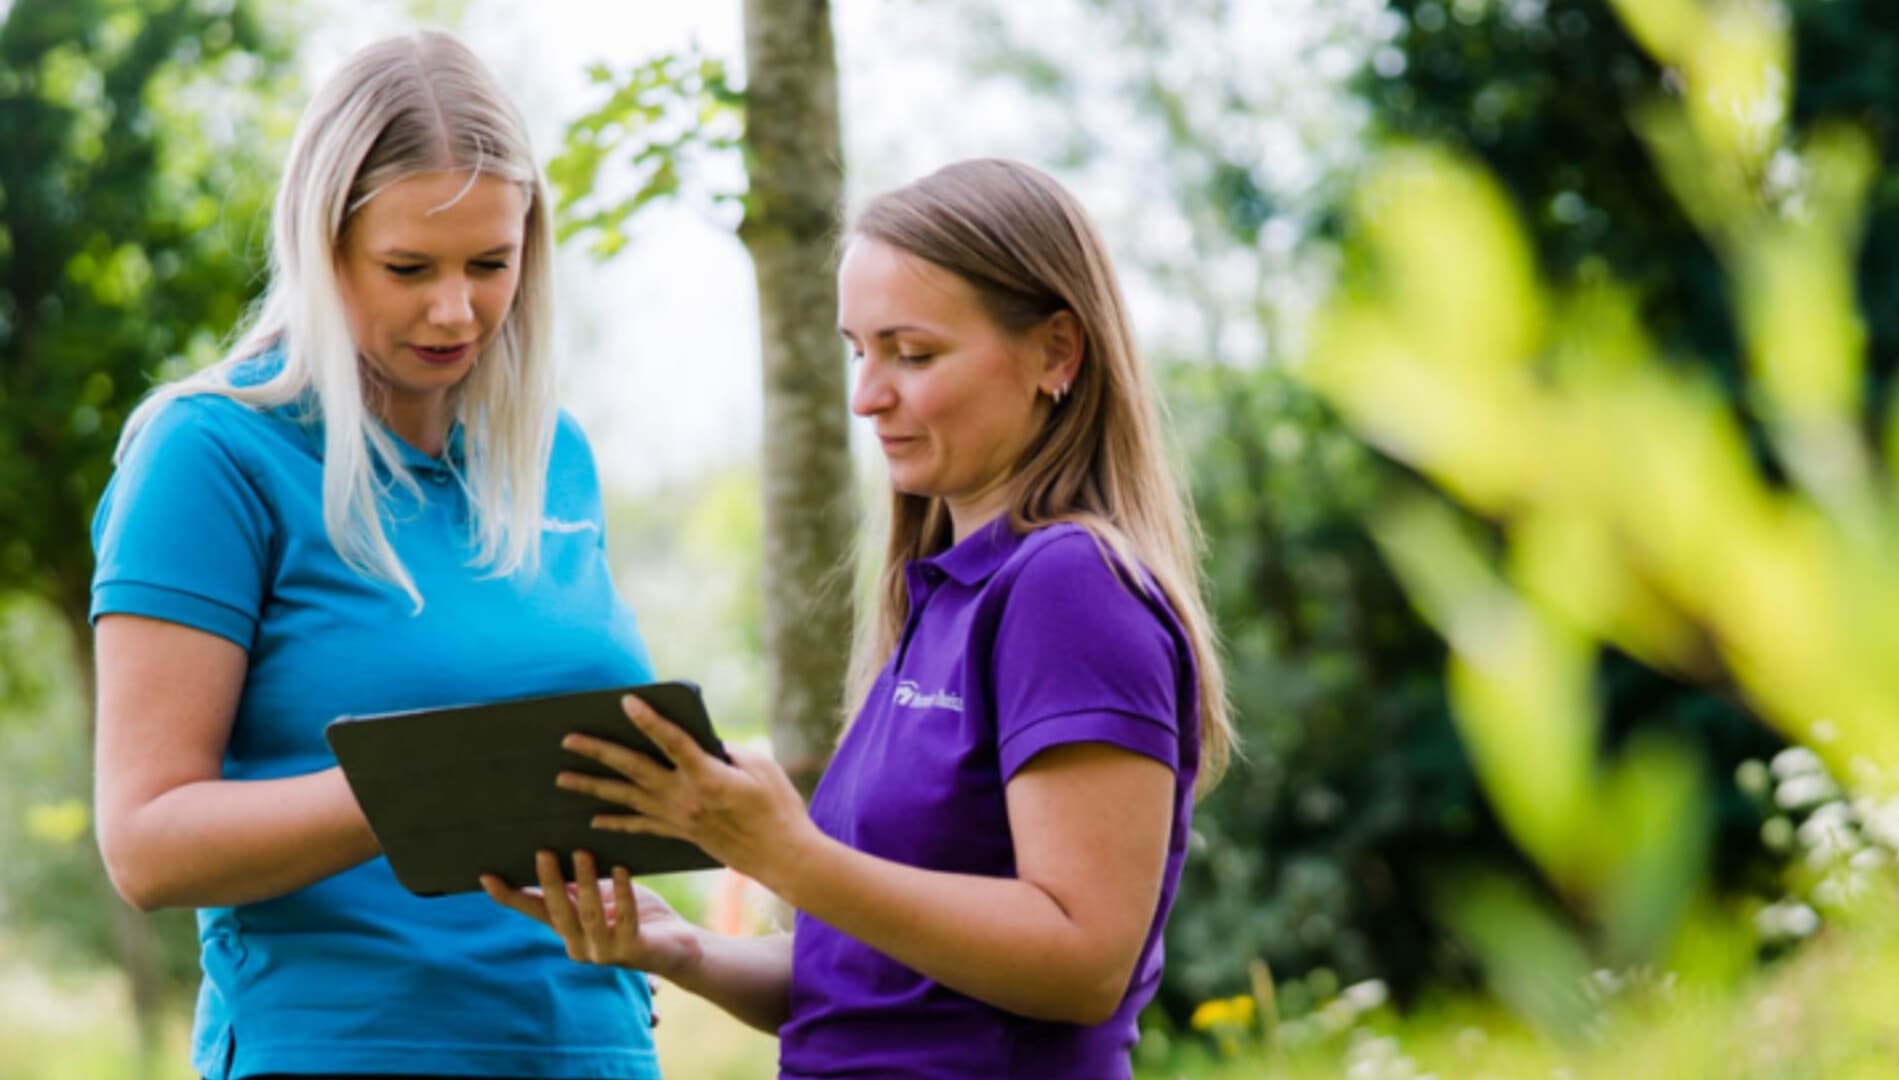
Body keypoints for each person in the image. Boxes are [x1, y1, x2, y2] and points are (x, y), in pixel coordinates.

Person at [486, 158, 1234, 1079]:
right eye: (858, 350)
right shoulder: (944, 599)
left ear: (1056, 353)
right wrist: (684, 950)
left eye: (912, 354)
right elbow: (879, 986)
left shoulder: (1066, 585)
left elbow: (1083, 962)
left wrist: (787, 855)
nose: (866, 395)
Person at [90, 31, 663, 1080]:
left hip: (592, 1050)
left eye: (491, 264)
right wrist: (451, 784)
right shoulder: (210, 454)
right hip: (343, 1051)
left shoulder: (555, 455)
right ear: (323, 248)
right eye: (409, 268)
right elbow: (146, 842)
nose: (456, 310)